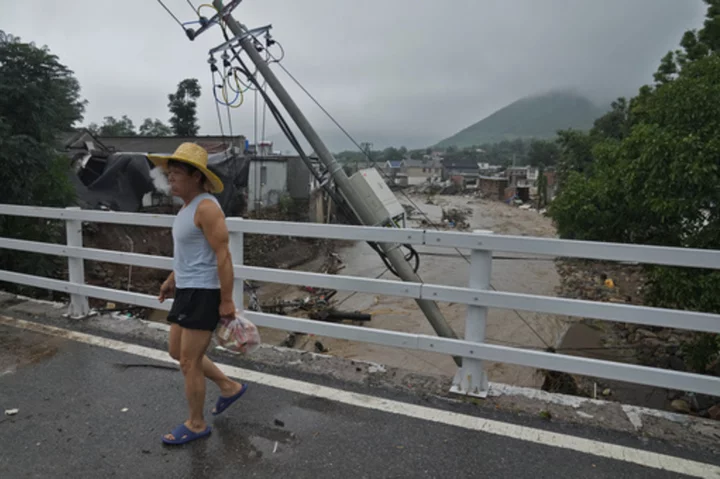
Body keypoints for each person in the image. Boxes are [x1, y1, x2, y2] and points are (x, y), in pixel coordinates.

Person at [149, 143, 248, 445]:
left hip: (204, 293)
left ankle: (196, 423)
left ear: (196, 176)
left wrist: (227, 300)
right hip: (187, 290)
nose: (171, 179)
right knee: (177, 353)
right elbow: (190, 254)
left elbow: (223, 255)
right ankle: (229, 387)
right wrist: (171, 279)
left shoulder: (206, 207)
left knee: (189, 362)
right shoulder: (186, 208)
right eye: (170, 174)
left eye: (177, 173)